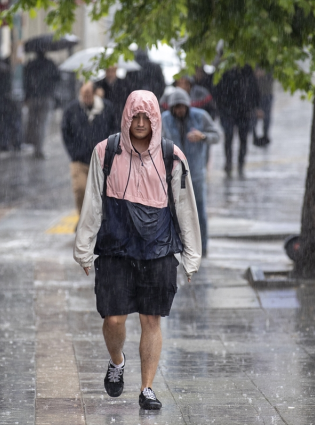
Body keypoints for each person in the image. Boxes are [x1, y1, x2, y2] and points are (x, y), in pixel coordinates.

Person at [74, 90, 201, 410]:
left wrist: (191, 255)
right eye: (135, 117)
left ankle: (147, 388)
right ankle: (117, 361)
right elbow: (93, 201)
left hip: (157, 250)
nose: (141, 123)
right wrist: (83, 248)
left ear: (157, 119)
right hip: (115, 249)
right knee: (113, 320)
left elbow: (185, 207)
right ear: (126, 117)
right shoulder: (106, 152)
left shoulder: (172, 156)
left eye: (148, 117)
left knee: (151, 319)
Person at [161, 88, 220, 257]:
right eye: (176, 107)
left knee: (198, 211)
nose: (180, 110)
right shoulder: (165, 120)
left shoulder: (200, 116)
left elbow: (216, 135)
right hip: (173, 174)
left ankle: (202, 246)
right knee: (174, 211)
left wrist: (202, 136)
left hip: (196, 173)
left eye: (182, 107)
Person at [61, 81, 118, 214]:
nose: (86, 97)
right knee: (80, 189)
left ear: (94, 93)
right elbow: (65, 131)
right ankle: (83, 218)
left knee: (101, 192)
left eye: (88, 94)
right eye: (83, 94)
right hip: (79, 159)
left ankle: (100, 220)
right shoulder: (72, 109)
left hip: (102, 159)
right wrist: (73, 152)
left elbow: (114, 128)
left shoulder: (106, 108)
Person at [214, 66, 260, 176]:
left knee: (242, 138)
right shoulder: (224, 72)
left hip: (243, 111)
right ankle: (230, 161)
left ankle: (240, 162)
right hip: (229, 111)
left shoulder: (247, 71)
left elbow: (254, 90)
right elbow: (217, 91)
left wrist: (255, 106)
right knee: (229, 137)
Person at [22, 50, 60, 158]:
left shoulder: (31, 65)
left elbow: (26, 81)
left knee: (34, 123)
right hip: (46, 97)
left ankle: (36, 147)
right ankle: (39, 149)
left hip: (33, 97)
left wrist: (27, 95)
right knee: (42, 124)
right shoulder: (50, 64)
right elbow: (58, 78)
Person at [254, 67, 274, 141]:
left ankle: (265, 134)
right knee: (254, 115)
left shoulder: (271, 62)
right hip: (255, 93)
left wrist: (264, 72)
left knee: (267, 116)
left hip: (267, 93)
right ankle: (254, 135)